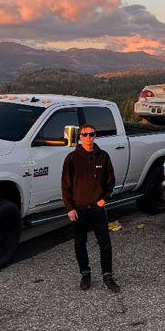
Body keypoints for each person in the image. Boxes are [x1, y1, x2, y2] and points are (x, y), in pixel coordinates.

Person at [61, 123, 120, 293]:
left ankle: (107, 276)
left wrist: (104, 199)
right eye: (85, 134)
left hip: (97, 207)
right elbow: (65, 185)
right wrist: (69, 208)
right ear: (80, 137)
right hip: (79, 208)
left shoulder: (103, 157)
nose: (88, 137)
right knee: (80, 244)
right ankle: (85, 273)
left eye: (91, 134)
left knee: (105, 244)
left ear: (95, 136)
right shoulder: (71, 159)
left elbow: (111, 181)